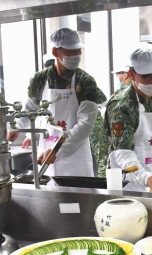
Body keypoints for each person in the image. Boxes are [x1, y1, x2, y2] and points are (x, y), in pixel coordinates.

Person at [19, 27, 106, 178]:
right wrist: (16, 128)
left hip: (75, 155)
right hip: (46, 153)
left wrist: (57, 149)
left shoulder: (86, 81)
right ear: (55, 52)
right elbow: (30, 109)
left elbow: (85, 124)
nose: (76, 56)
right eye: (70, 51)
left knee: (77, 198)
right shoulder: (39, 79)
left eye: (78, 51)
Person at [104, 47, 152, 191]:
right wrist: (145, 177)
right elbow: (123, 153)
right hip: (127, 183)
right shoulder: (122, 106)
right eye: (147, 76)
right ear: (132, 74)